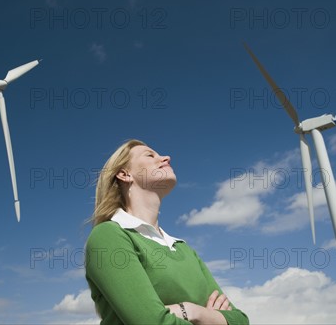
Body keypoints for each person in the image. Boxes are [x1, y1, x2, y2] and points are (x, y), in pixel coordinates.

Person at [85, 139, 249, 325]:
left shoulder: (184, 249)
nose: (166, 158)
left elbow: (240, 320)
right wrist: (213, 318)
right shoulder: (108, 236)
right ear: (124, 174)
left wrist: (191, 311)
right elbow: (152, 322)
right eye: (150, 155)